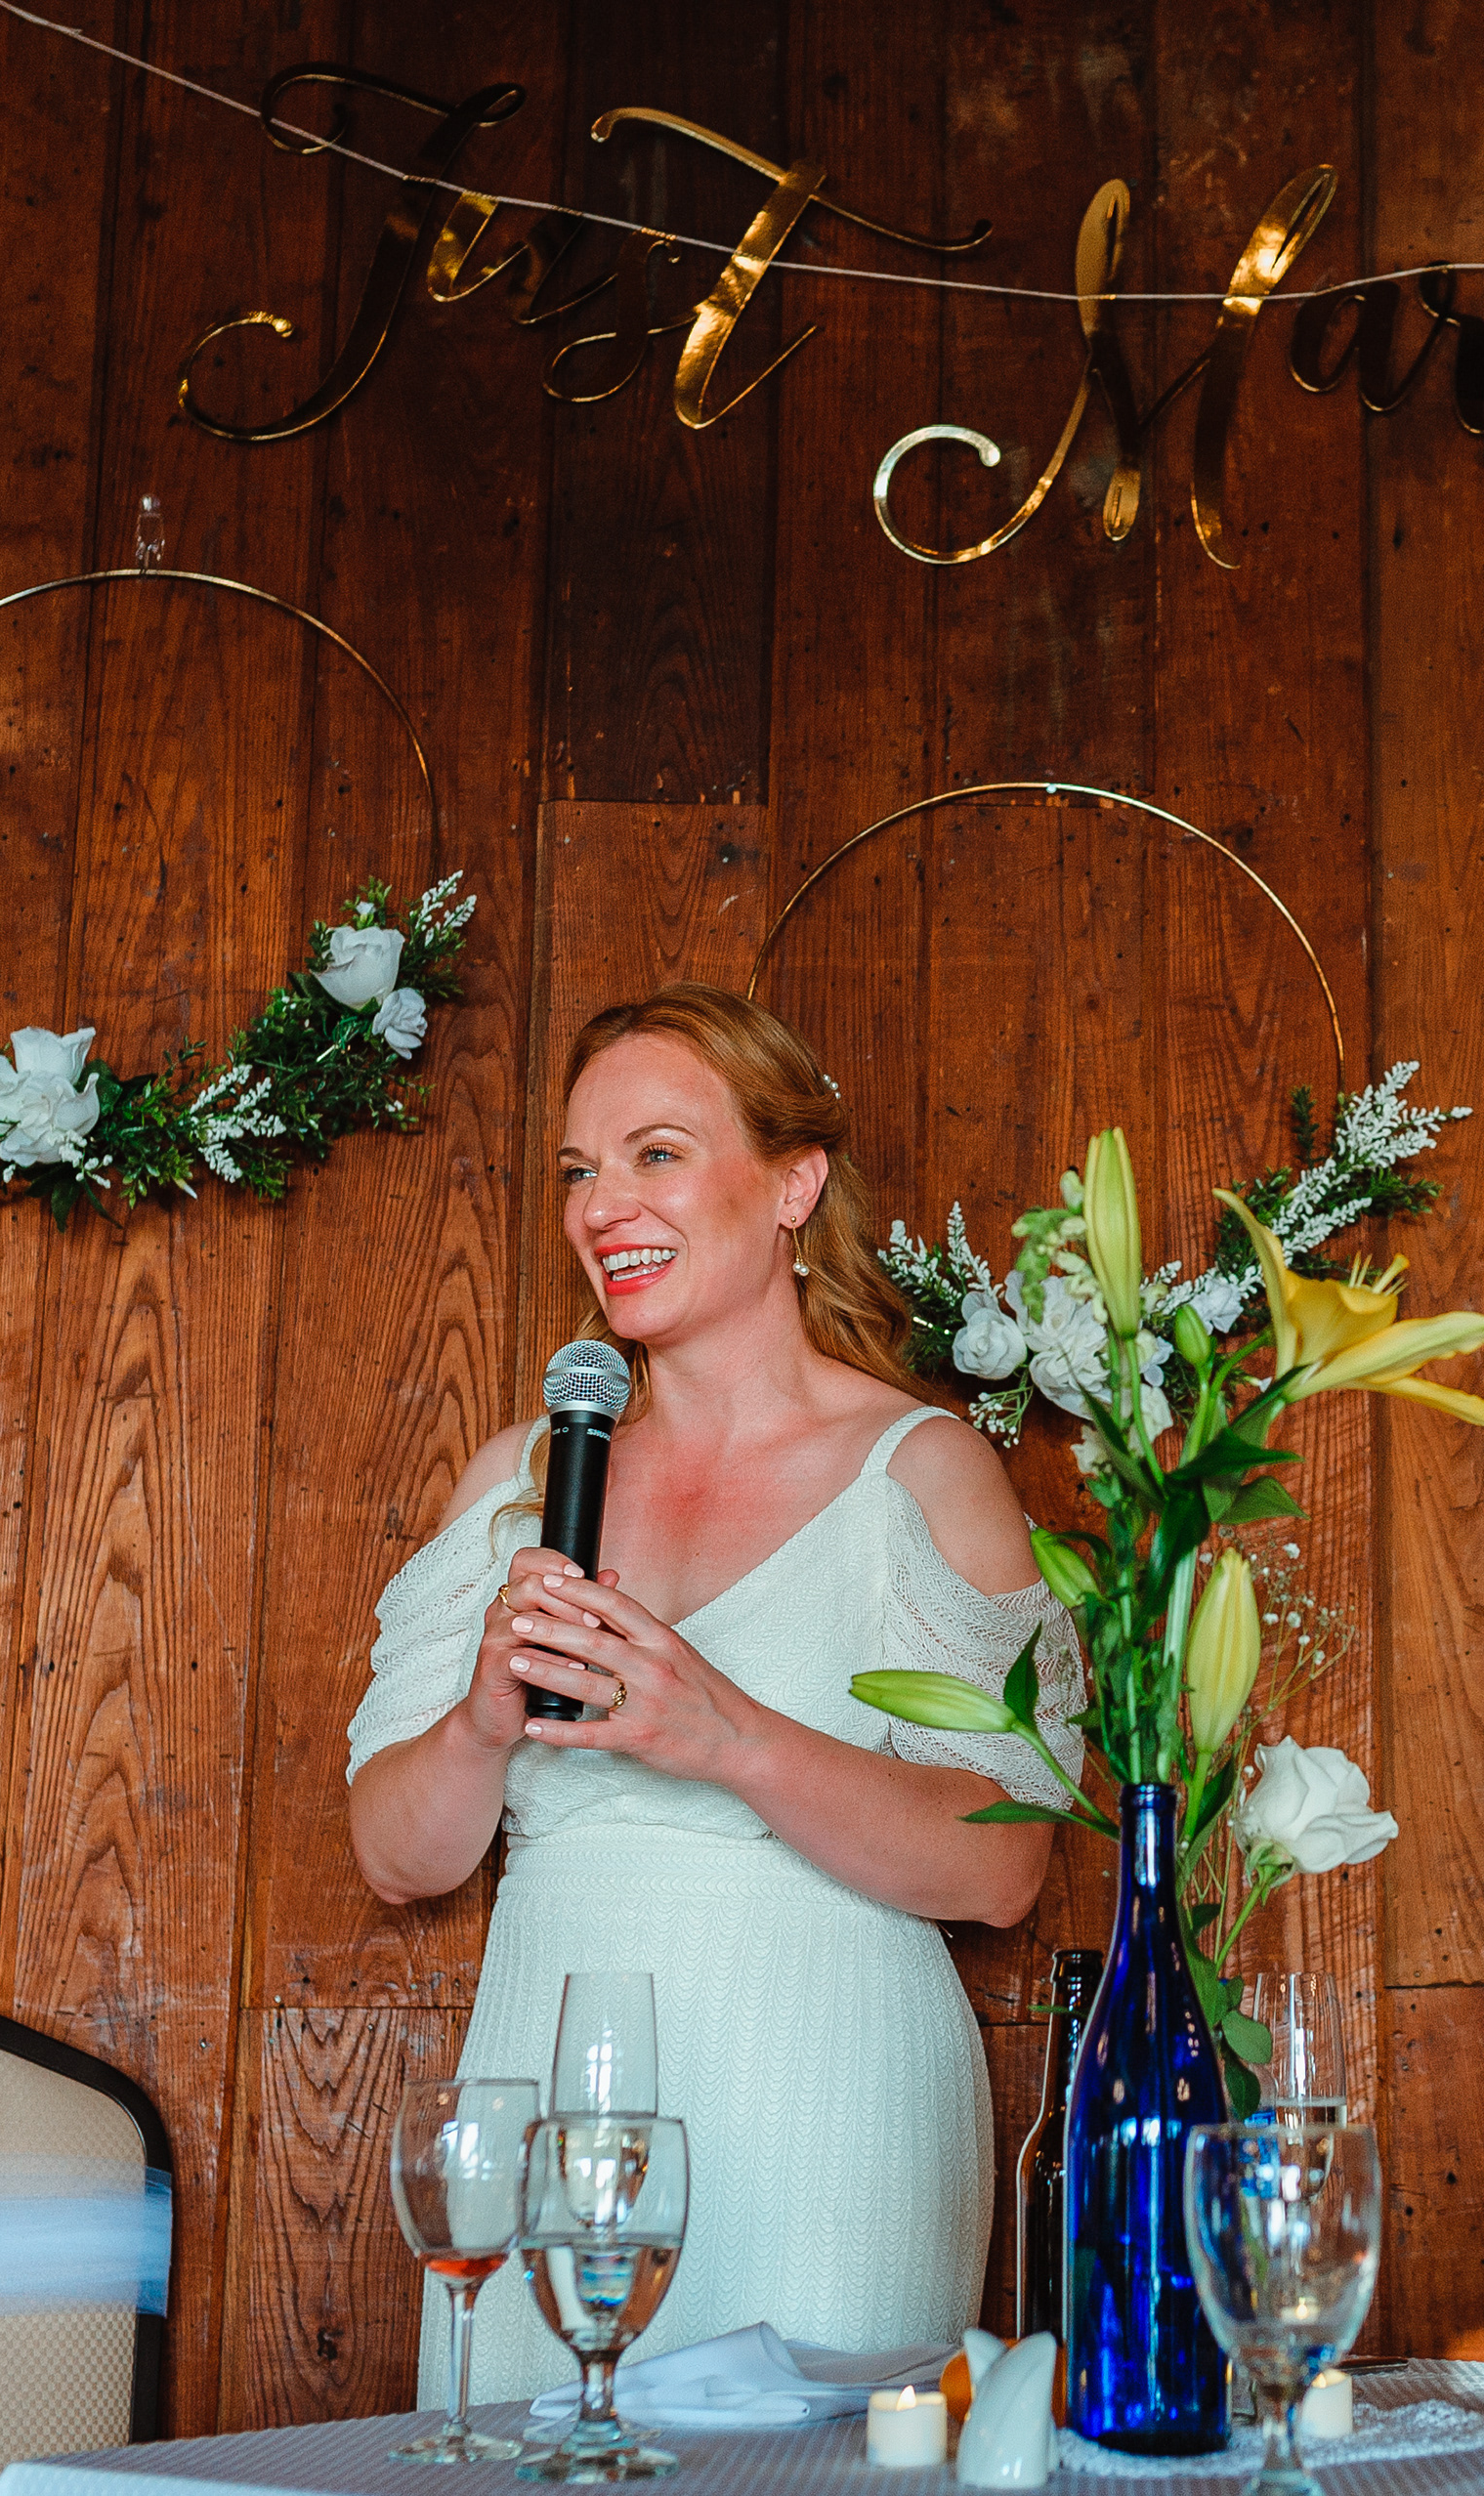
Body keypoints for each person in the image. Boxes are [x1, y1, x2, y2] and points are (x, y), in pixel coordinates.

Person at [348, 984, 1082, 2402]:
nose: (602, 1206)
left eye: (658, 1154)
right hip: (560, 2099)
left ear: (794, 1184)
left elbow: (1005, 1869)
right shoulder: (518, 1480)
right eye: (580, 1169)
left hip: (831, 2102)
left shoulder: (921, 1472)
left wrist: (728, 1737)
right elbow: (395, 1856)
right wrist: (482, 1722)